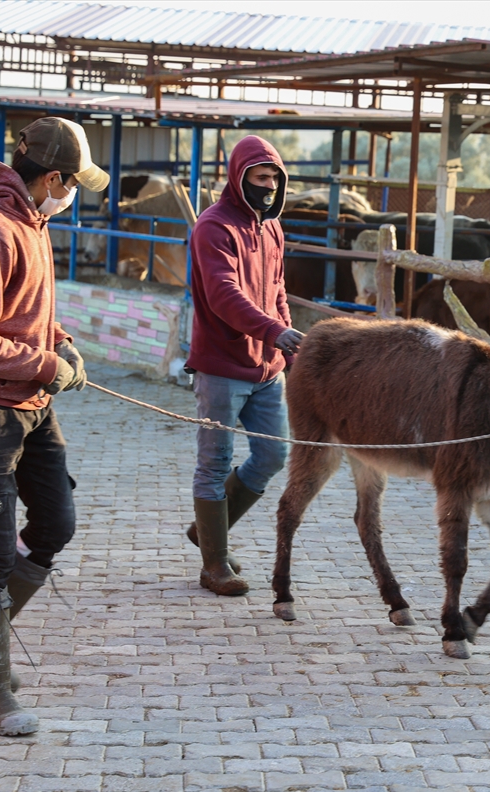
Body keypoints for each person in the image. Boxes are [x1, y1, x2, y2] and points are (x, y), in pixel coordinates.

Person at [0, 117, 108, 736]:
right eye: (71, 185)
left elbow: (28, 314)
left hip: (30, 403)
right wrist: (44, 364)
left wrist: (62, 345)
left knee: (56, 520)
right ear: (53, 178)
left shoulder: (34, 223)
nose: (71, 196)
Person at [183, 135, 302, 596]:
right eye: (260, 177)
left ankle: (207, 529)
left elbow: (277, 291)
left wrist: (287, 345)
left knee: (274, 454)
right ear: (239, 177)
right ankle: (214, 565)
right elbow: (224, 294)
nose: (268, 185)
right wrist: (273, 331)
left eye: (274, 177)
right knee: (214, 463)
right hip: (220, 366)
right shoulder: (213, 228)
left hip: (267, 369)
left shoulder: (272, 227)